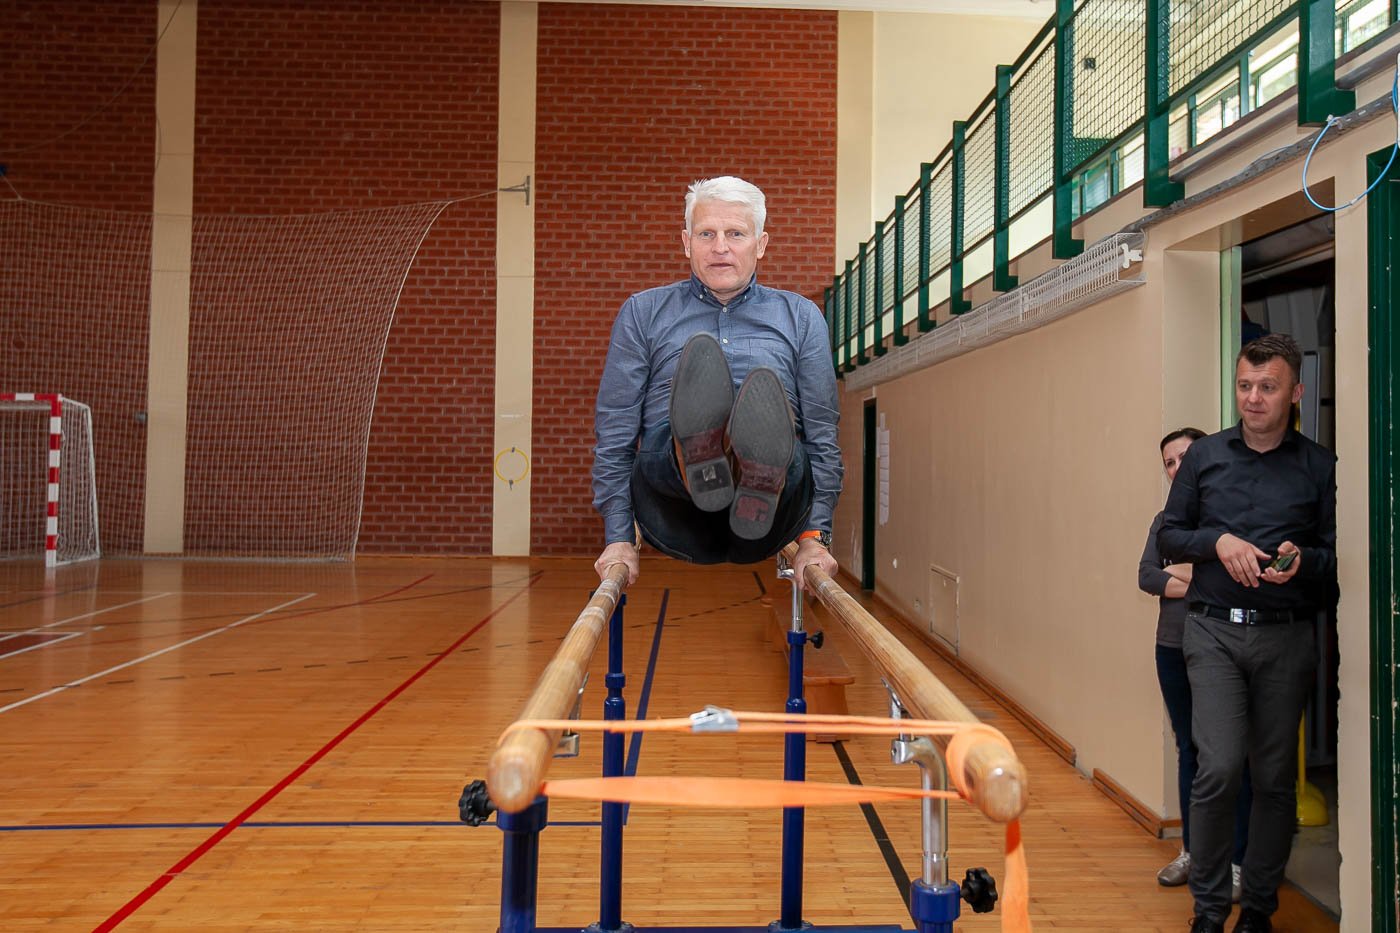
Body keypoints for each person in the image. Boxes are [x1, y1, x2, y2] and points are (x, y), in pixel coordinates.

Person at [1159, 333, 1337, 933]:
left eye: (1267, 387)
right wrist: (1218, 542)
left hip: (1286, 638)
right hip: (1213, 634)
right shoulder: (1206, 457)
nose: (1253, 398)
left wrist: (1302, 560)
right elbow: (1170, 536)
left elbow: (1335, 555)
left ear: (1296, 393)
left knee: (1274, 778)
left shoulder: (1319, 467)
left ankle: (1258, 907)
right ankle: (1209, 910)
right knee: (1218, 768)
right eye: (1244, 386)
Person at [590, 176, 842, 590]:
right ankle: (700, 454)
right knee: (664, 441)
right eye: (707, 234)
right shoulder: (643, 313)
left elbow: (822, 433)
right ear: (686, 243)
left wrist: (815, 538)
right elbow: (615, 432)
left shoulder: (800, 317)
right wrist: (618, 537)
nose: (720, 247)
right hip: (674, 511)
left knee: (788, 448)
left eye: (735, 234)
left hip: (771, 518)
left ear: (760, 244)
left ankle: (750, 469)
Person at [1139, 428, 1249, 901]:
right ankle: (1193, 852)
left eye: (1186, 456)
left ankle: (1238, 862)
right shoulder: (1165, 522)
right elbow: (1147, 576)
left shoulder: (1233, 516)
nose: (1178, 466)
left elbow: (1242, 579)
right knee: (1191, 749)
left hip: (1225, 648)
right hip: (1173, 647)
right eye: (1169, 461)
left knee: (1231, 754)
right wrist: (1206, 577)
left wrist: (1184, 573)